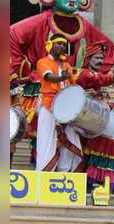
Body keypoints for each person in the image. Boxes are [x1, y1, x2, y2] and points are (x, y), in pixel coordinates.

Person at [9, 0, 114, 151]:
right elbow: (10, 35)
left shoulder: (86, 27)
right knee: (41, 141)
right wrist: (15, 74)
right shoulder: (39, 22)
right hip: (42, 91)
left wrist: (94, 74)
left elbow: (108, 48)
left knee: (72, 145)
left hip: (73, 92)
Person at [35, 34, 80, 171]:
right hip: (49, 106)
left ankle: (65, 172)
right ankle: (44, 174)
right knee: (46, 141)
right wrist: (62, 77)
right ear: (50, 45)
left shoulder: (66, 65)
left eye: (63, 44)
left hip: (66, 109)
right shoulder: (43, 62)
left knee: (70, 139)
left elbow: (73, 85)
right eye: (58, 43)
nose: (62, 46)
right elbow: (49, 77)